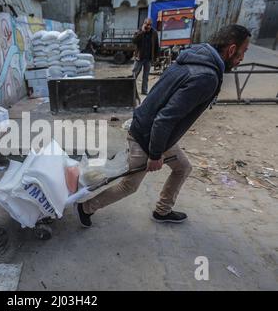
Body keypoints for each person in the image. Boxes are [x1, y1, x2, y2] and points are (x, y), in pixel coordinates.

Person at [75, 25, 251, 227]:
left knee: (183, 167)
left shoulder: (196, 56)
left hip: (154, 131)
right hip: (148, 136)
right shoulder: (206, 76)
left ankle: (163, 210)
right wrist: (155, 155)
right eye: (243, 51)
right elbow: (165, 119)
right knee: (128, 186)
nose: (242, 58)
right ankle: (85, 207)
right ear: (231, 49)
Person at [132, 18, 160, 95]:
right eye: (147, 24)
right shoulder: (139, 31)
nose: (149, 26)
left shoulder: (154, 33)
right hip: (139, 58)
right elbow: (134, 40)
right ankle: (131, 91)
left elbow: (157, 45)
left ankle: (144, 91)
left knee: (146, 76)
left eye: (150, 25)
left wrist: (156, 56)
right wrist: (142, 32)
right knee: (134, 75)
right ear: (144, 24)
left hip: (148, 58)